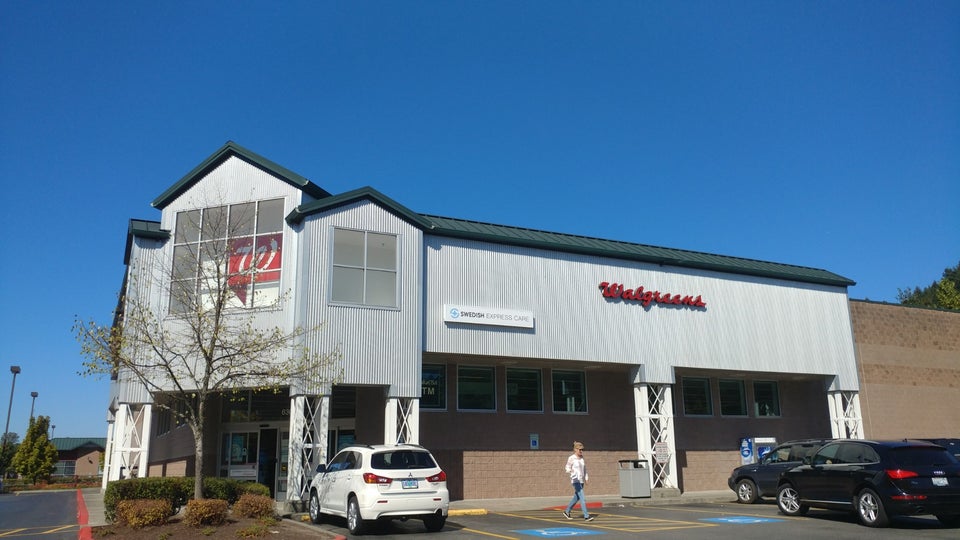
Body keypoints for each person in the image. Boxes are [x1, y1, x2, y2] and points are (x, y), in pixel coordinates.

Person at [562, 441, 594, 521]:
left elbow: (584, 469)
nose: (581, 451)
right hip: (575, 480)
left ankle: (567, 511)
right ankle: (586, 516)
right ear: (575, 449)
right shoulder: (571, 458)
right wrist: (571, 471)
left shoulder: (582, 458)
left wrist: (586, 478)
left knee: (576, 498)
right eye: (580, 449)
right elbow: (567, 467)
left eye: (582, 449)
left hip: (581, 481)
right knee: (582, 498)